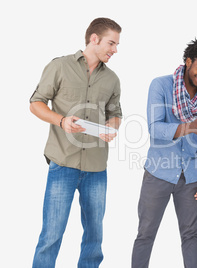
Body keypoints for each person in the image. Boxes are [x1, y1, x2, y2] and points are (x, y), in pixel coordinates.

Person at [30, 17, 122, 268]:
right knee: (51, 236)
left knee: (94, 238)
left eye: (116, 45)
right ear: (94, 39)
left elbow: (116, 114)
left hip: (96, 168)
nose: (115, 49)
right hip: (63, 163)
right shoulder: (59, 66)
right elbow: (36, 103)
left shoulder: (112, 79)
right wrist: (61, 121)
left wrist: (110, 128)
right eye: (111, 43)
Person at [131, 38, 197, 268]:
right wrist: (189, 126)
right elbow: (155, 129)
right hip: (158, 173)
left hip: (191, 177)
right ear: (188, 62)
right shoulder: (161, 85)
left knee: (191, 236)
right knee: (146, 234)